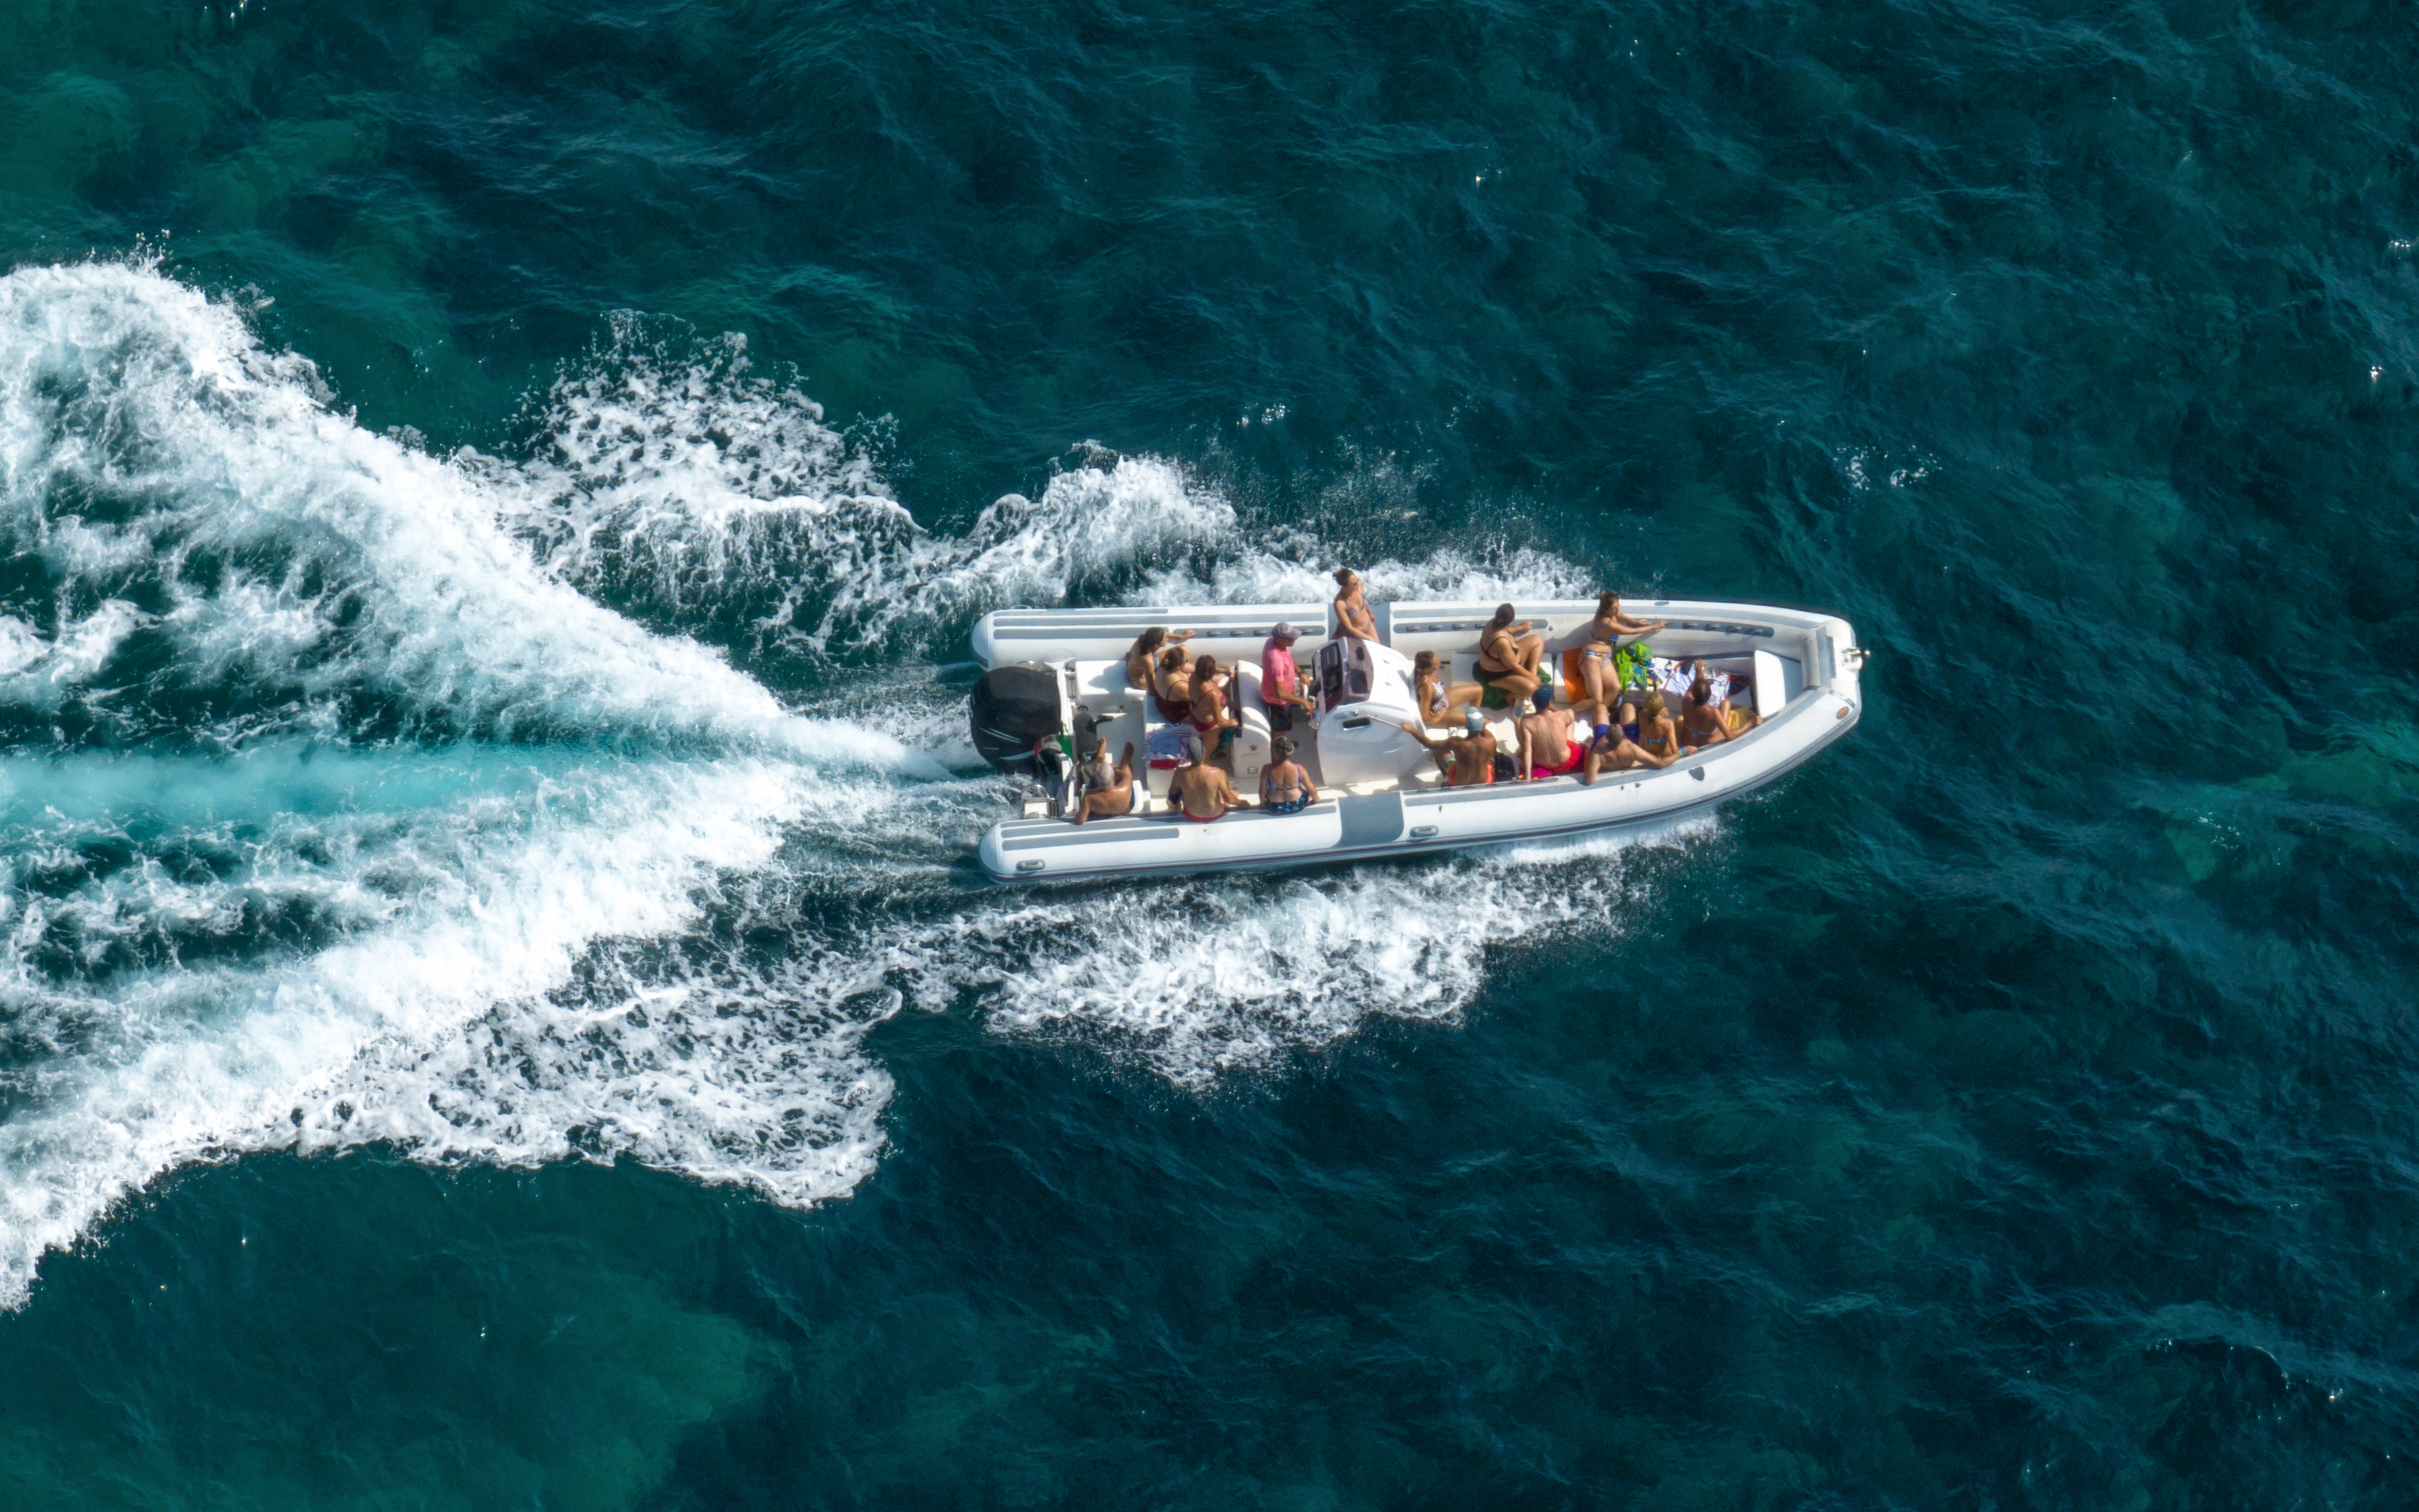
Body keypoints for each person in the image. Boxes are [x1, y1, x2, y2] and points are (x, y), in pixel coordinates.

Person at [1579, 592, 1664, 715]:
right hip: (1591, 657)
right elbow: (1634, 632)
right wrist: (1654, 626)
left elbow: (1618, 615)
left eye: (1618, 605)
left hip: (1605, 657)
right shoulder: (1606, 623)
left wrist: (1634, 621)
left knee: (1615, 688)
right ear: (1606, 609)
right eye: (1614, 608)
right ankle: (1566, 712)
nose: (1617, 609)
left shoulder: (1610, 613)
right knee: (1596, 700)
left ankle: (1600, 713)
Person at [1400, 708, 1498, 786]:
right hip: (1485, 781)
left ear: (1466, 726)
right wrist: (1482, 724)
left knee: (1438, 750)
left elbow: (1429, 744)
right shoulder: (1491, 741)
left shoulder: (1457, 743)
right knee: (1489, 761)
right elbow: (1492, 756)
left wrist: (1412, 730)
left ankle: (1447, 779)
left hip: (1458, 782)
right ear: (1482, 726)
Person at [1474, 602, 1544, 707]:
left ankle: (1533, 674)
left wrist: (1521, 627)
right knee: (1532, 688)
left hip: (1511, 660)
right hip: (1498, 675)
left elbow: (1506, 630)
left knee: (1537, 640)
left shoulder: (1493, 622)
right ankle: (1510, 697)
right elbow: (1513, 666)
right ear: (1512, 619)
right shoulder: (1502, 643)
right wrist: (1531, 678)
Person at [1513, 687, 1586, 780]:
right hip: (1564, 760)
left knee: (1518, 721)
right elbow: (1569, 721)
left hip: (1542, 764)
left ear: (1534, 703)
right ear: (1548, 703)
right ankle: (1570, 739)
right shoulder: (1561, 716)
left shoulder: (1527, 722)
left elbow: (1527, 750)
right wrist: (1551, 707)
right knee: (1570, 712)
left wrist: (1528, 777)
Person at [1260, 622, 1314, 732]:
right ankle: (1278, 743)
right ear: (1280, 640)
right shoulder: (1276, 660)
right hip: (1278, 702)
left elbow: (1288, 659)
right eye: (1291, 639)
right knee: (1281, 729)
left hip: (1287, 692)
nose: (1294, 640)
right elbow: (1280, 694)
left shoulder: (1272, 640)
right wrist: (1304, 702)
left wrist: (1300, 672)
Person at [1170, 734, 1237, 821]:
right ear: (1205, 753)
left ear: (1187, 756)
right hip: (1216, 814)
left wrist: (1176, 805)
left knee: (1179, 790)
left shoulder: (1180, 773)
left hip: (1192, 814)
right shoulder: (1218, 773)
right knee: (1231, 791)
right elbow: (1229, 799)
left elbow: (1173, 793)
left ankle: (1177, 809)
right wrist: (1242, 803)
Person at [1581, 722, 1674, 784]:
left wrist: (1588, 772)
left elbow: (1590, 780)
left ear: (1606, 737)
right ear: (1623, 737)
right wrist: (1682, 752)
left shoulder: (1598, 752)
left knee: (1601, 708)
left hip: (1606, 756)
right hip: (1626, 754)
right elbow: (1660, 763)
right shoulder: (1631, 748)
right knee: (1628, 707)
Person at [1068, 743, 1137, 825]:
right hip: (1123, 810)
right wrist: (1114, 768)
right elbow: (1126, 775)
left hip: (1099, 810)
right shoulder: (1125, 786)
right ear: (1114, 777)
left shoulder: (1089, 797)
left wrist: (1078, 814)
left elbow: (1080, 820)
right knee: (1126, 763)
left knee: (1098, 766)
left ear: (1097, 781)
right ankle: (1128, 747)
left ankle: (1102, 747)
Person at [1189, 652, 1239, 763]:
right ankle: (1205, 772)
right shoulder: (1212, 694)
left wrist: (1225, 671)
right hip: (1208, 726)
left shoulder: (1194, 676)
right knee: (1207, 756)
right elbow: (1220, 721)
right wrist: (1233, 722)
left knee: (1207, 744)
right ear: (1210, 672)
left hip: (1196, 714)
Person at [1411, 649, 1480, 726]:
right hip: (1438, 711)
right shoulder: (1427, 687)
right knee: (1477, 721)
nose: (1439, 663)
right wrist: (1436, 718)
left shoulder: (1426, 671)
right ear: (1427, 670)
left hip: (1442, 698)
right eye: (1436, 664)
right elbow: (1425, 717)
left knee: (1479, 690)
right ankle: (1474, 724)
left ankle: (1473, 716)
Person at [1258, 734, 1318, 814]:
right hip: (1296, 805)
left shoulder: (1267, 769)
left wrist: (1263, 804)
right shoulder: (1299, 769)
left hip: (1275, 806)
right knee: (1303, 790)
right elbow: (1311, 790)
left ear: (1275, 751)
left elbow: (1262, 791)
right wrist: (1316, 800)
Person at [1679, 676, 1738, 751]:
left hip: (1689, 743)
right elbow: (1730, 736)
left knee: (1680, 720)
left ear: (1694, 693)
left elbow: (1689, 692)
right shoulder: (1713, 712)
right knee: (1726, 703)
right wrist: (1751, 723)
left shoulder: (1685, 701)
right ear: (1710, 696)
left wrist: (1698, 675)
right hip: (1707, 745)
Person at [1124, 625, 1191, 689]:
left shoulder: (1145, 639)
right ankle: (1184, 676)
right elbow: (1152, 688)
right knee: (1180, 678)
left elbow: (1164, 634)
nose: (1167, 639)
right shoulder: (1147, 660)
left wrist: (1182, 636)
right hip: (1140, 679)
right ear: (1156, 645)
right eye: (1165, 639)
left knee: (1183, 649)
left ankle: (1182, 672)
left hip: (1152, 662)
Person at [1632, 687, 1679, 761]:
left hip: (1648, 755)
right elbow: (1674, 749)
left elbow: (1647, 711)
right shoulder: (1668, 724)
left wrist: (1657, 709)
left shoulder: (1641, 715)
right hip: (1664, 757)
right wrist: (1684, 751)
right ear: (1662, 706)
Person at [1332, 568, 1379, 642]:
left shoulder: (1359, 584)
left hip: (1368, 626)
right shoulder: (1340, 603)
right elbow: (1349, 627)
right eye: (1353, 584)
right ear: (1345, 586)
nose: (1357, 584)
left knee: (1377, 649)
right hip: (1354, 634)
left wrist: (1370, 613)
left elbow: (1364, 600)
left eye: (1357, 580)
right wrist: (1368, 638)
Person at [1151, 644, 1193, 724]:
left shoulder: (1162, 664)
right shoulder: (1179, 685)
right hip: (1176, 714)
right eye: (1185, 662)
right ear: (1178, 666)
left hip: (1160, 702)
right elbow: (1198, 699)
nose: (1186, 662)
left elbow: (1156, 657)